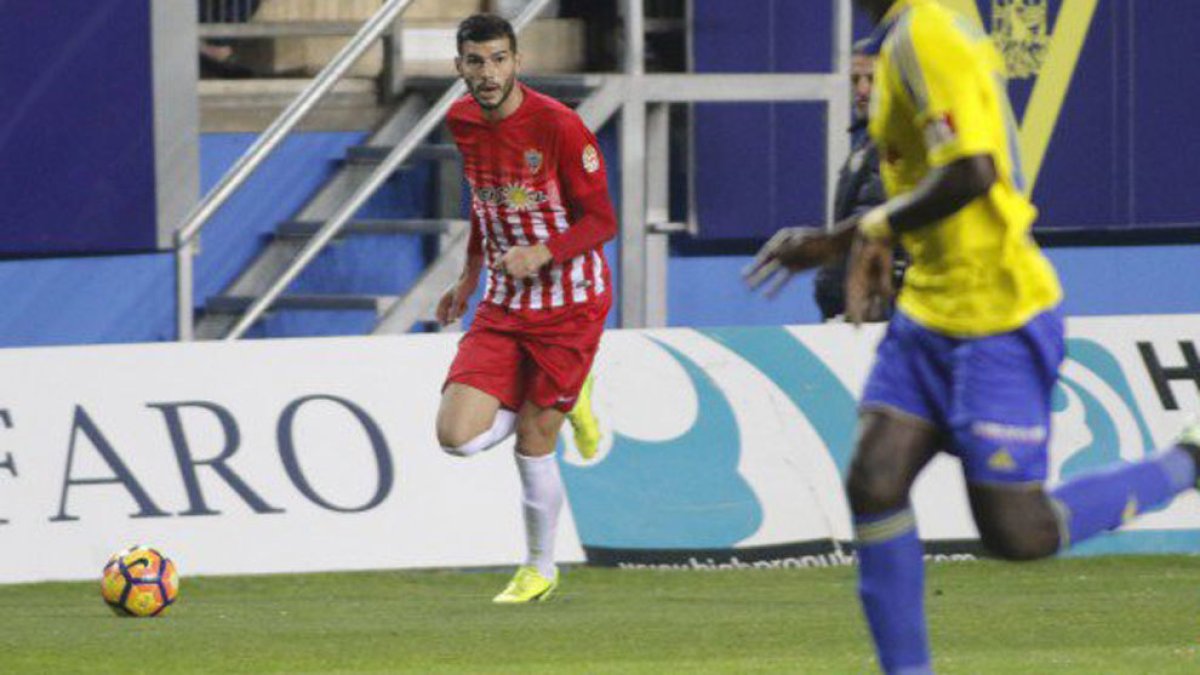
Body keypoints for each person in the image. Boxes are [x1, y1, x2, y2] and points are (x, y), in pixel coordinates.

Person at [746, 0, 1200, 672]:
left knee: (1019, 532)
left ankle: (1187, 461)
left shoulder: (926, 33)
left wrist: (856, 233)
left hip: (996, 314)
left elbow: (972, 171)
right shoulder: (902, 36)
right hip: (930, 309)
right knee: (875, 480)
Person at [435, 13, 615, 604]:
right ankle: (566, 396)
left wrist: (542, 252)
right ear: (459, 66)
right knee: (456, 438)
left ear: (517, 61)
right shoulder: (461, 120)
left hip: (570, 305)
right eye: (476, 62)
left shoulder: (559, 126)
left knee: (533, 443)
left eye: (498, 60)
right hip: (504, 303)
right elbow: (485, 205)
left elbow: (602, 221)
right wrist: (469, 276)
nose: (488, 73)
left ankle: (540, 568)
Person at [813, 39, 900, 322]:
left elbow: (871, 222)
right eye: (855, 80)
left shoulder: (893, 144)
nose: (861, 90)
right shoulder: (866, 144)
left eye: (872, 80)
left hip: (873, 312)